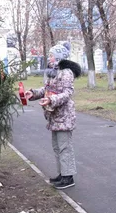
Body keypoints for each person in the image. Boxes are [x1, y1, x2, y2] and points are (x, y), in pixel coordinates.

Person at [25, 43, 81, 190]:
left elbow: (67, 93)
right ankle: (62, 174)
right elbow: (47, 89)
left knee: (64, 147)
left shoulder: (66, 72)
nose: (49, 58)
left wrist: (51, 100)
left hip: (64, 116)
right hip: (54, 115)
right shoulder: (54, 72)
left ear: (59, 56)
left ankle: (68, 177)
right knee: (57, 147)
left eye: (51, 55)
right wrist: (34, 93)